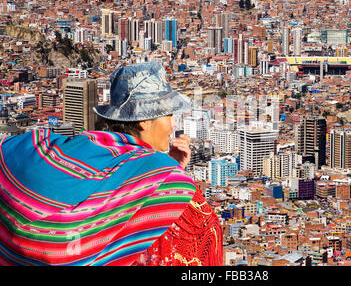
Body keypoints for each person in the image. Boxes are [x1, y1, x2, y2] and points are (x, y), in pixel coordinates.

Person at [0, 62, 223, 266]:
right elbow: (203, 234)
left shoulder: (68, 148)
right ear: (145, 120)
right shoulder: (163, 178)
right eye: (168, 114)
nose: (173, 124)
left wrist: (170, 166)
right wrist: (171, 173)